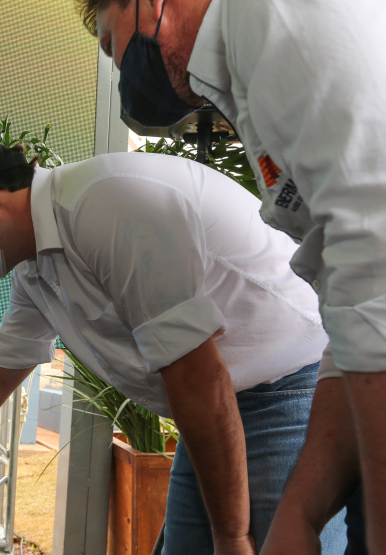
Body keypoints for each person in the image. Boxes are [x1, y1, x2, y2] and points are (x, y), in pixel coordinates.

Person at [0, 132, 346, 554]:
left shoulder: (107, 206)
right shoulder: (36, 268)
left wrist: (231, 537)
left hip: (290, 387)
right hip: (214, 411)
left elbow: (197, 374)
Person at [77, 0, 381, 551]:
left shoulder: (271, 19)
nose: (120, 68)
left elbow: (375, 280)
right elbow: (350, 310)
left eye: (108, 43)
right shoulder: (247, 79)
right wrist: (301, 512)